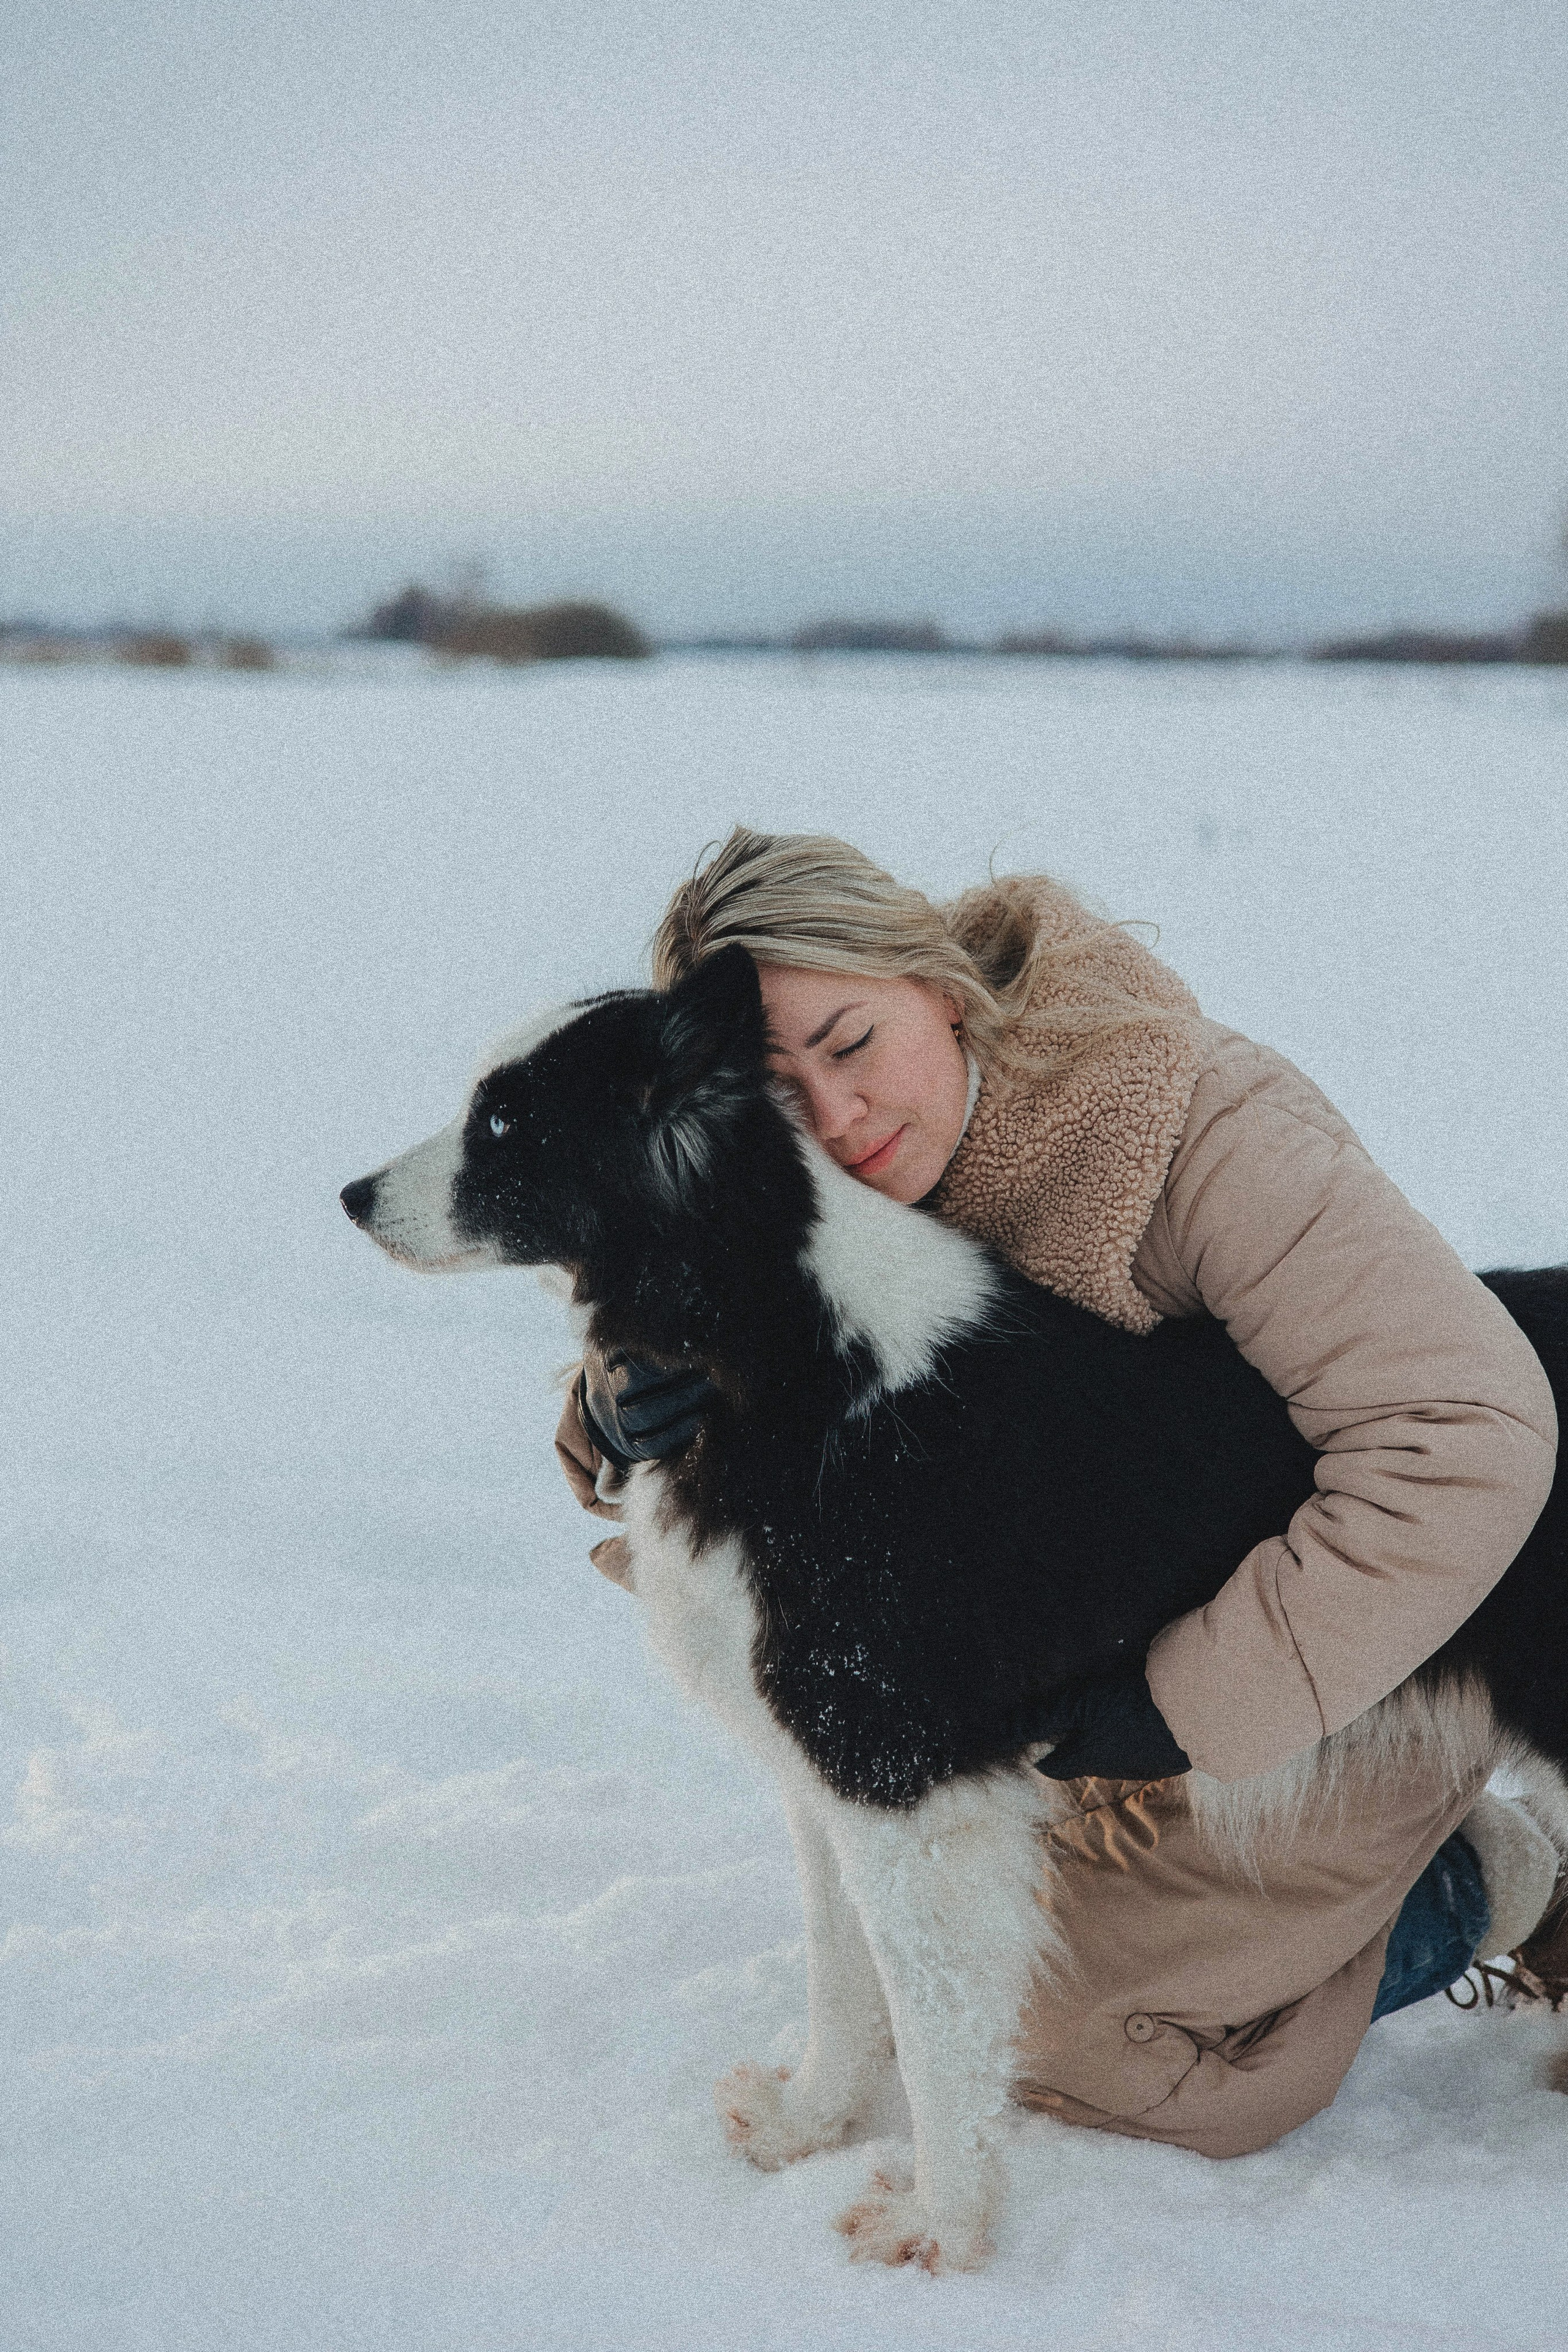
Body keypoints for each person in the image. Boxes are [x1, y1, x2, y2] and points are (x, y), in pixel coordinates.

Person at [556, 826, 1567, 2156]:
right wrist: (614, 1412)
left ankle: (1475, 1889)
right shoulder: (793, 1210)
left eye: (852, 1045)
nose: (838, 1120)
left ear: (935, 980)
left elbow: (1463, 1434)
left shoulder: (1194, 1127)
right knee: (957, 1968)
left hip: (1374, 1639)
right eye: (780, 1094)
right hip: (1086, 1668)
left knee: (1067, 2042)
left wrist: (1180, 1706)